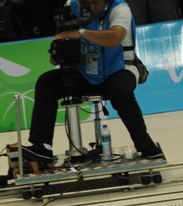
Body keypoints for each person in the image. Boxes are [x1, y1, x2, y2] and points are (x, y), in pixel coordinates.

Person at [21, 0, 163, 169]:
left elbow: (115, 37)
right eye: (86, 4)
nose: (91, 7)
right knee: (46, 82)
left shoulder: (119, 8)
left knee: (121, 90)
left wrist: (80, 33)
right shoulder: (71, 6)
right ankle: (42, 147)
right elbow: (60, 43)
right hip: (86, 70)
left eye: (95, 3)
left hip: (120, 67)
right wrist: (57, 53)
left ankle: (145, 144)